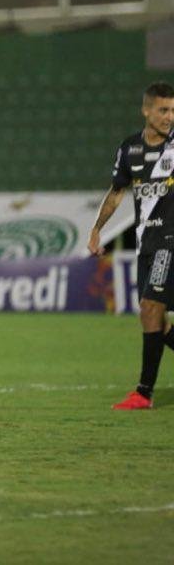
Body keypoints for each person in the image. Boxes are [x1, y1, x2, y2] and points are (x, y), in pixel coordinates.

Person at [89, 82, 174, 410]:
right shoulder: (129, 150)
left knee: (152, 306)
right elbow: (116, 192)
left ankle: (143, 392)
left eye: (172, 110)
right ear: (147, 110)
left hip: (170, 240)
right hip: (146, 243)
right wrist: (97, 229)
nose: (169, 117)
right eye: (163, 110)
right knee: (152, 318)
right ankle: (143, 393)